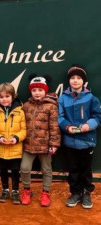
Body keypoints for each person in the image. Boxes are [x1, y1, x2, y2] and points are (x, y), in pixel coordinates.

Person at [58, 65, 101, 209]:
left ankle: (86, 193)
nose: (75, 81)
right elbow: (60, 117)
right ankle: (75, 193)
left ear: (83, 81)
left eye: (78, 78)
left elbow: (97, 117)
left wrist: (88, 125)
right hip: (70, 142)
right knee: (73, 169)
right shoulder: (63, 99)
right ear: (69, 81)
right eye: (72, 78)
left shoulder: (92, 98)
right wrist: (67, 126)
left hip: (87, 141)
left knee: (86, 170)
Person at [20, 75, 61, 207]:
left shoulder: (51, 106)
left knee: (46, 170)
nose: (37, 93)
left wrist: (54, 144)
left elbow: (54, 127)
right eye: (34, 90)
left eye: (40, 90)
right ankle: (27, 190)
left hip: (46, 147)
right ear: (30, 91)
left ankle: (45, 193)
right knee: (24, 168)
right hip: (28, 145)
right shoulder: (25, 106)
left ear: (45, 91)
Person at [0, 82, 26, 204]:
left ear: (13, 97)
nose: (4, 99)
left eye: (7, 96)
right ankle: (5, 190)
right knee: (2, 170)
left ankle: (15, 191)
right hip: (0, 149)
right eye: (1, 97)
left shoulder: (21, 112)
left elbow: (24, 130)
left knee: (15, 171)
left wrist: (16, 138)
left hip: (15, 149)